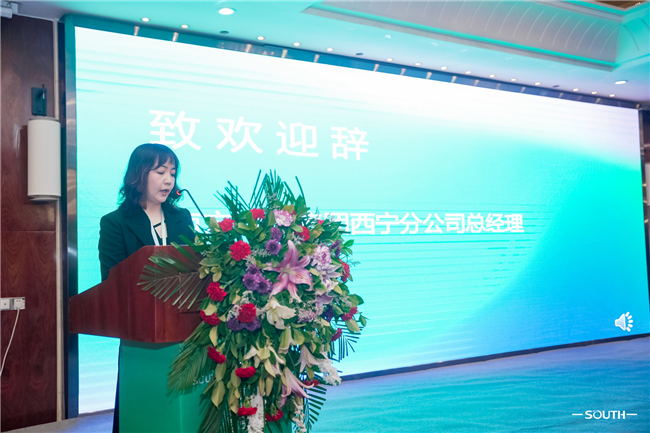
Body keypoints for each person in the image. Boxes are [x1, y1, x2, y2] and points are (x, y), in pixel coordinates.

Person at [98, 143, 195, 433]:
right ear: (139, 175)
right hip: (138, 330)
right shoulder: (115, 223)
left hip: (184, 327)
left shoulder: (182, 218)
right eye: (160, 171)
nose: (168, 180)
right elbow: (112, 281)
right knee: (141, 407)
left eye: (173, 173)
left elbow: (196, 267)